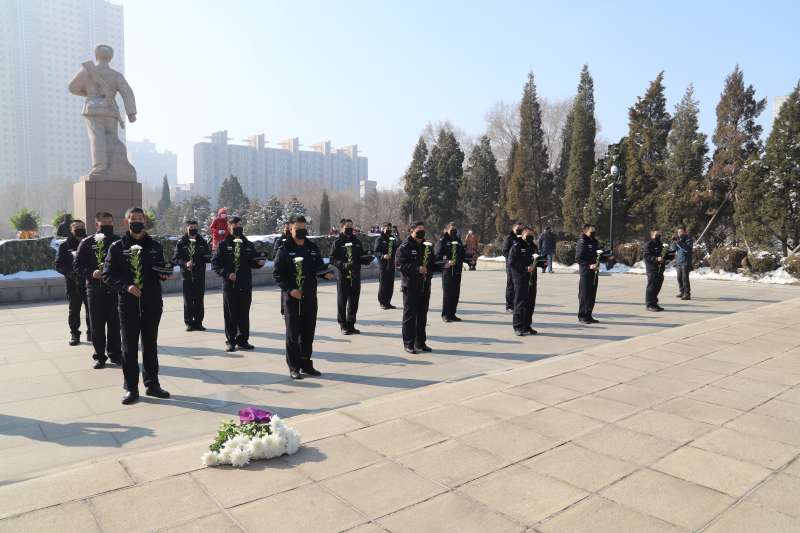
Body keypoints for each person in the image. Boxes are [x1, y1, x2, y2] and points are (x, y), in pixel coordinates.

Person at [102, 207, 172, 404]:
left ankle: (152, 384)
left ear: (145, 221)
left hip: (152, 304)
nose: (137, 221)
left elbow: (161, 268)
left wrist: (164, 274)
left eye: (140, 218)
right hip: (129, 305)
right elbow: (107, 275)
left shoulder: (155, 245)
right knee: (129, 348)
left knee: (150, 346)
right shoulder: (117, 247)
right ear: (127, 222)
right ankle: (131, 388)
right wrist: (126, 286)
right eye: (133, 218)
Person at [273, 215, 333, 379]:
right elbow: (277, 274)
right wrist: (290, 289)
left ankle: (306, 364)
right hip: (292, 299)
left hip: (310, 297)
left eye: (304, 228)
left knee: (308, 333)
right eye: (298, 228)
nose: (302, 231)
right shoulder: (284, 249)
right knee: (292, 335)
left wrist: (326, 274)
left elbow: (319, 268)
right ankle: (294, 367)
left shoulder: (312, 248)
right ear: (291, 229)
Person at [67, 44, 136, 176]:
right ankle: (114, 165)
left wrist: (89, 93)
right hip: (110, 110)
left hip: (93, 109)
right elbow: (128, 93)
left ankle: (100, 165)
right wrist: (131, 113)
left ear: (96, 56)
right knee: (112, 138)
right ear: (110, 58)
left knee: (97, 137)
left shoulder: (86, 71)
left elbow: (72, 87)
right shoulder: (116, 75)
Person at [73, 211, 122, 368]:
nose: (107, 225)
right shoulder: (87, 243)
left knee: (115, 325)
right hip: (95, 291)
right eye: (104, 223)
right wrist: (91, 272)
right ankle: (99, 356)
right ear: (96, 224)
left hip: (114, 291)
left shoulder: (120, 242)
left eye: (110, 222)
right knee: (97, 325)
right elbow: (77, 265)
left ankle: (115, 354)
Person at [212, 216, 267, 352]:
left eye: (241, 225)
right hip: (230, 286)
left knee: (244, 314)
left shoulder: (248, 244)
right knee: (231, 314)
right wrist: (227, 274)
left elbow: (252, 262)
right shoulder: (223, 245)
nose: (239, 227)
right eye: (236, 225)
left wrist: (259, 263)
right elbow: (215, 264)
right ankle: (231, 341)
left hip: (245, 285)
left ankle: (243, 340)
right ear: (229, 227)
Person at [396, 221, 437, 354]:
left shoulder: (427, 246)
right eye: (419, 229)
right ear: (412, 231)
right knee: (410, 317)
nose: (422, 232)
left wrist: (443, 265)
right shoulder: (404, 247)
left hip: (425, 286)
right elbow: (399, 265)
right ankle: (409, 344)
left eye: (423, 229)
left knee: (422, 316)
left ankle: (420, 343)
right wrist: (416, 269)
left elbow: (432, 263)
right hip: (411, 287)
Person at [54, 219, 92, 346]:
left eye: (82, 227)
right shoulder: (65, 246)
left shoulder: (90, 243)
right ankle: (75, 334)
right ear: (71, 229)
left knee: (91, 309)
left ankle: (91, 332)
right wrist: (69, 273)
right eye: (77, 227)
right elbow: (58, 264)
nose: (80, 229)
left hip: (89, 282)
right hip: (73, 283)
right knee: (74, 310)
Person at [509, 226, 550, 335]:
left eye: (532, 234)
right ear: (522, 235)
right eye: (529, 234)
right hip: (521, 279)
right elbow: (512, 262)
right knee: (520, 304)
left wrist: (543, 263)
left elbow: (535, 261)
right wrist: (524, 268)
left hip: (531, 279)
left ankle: (526, 326)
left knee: (530, 304)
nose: (531, 236)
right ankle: (518, 327)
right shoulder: (516, 247)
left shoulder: (533, 247)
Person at [173, 220, 211, 331]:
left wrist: (210, 258)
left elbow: (206, 256)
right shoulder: (181, 243)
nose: (193, 228)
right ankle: (189, 322)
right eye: (191, 227)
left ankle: (198, 322)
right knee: (188, 300)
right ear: (187, 229)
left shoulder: (202, 242)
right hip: (187, 276)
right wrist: (185, 263)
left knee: (199, 300)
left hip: (199, 275)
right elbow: (176, 259)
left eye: (195, 227)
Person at [330, 218, 365, 335]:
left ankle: (351, 324)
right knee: (342, 301)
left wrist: (365, 259)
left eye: (351, 226)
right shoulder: (337, 243)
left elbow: (361, 255)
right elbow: (332, 259)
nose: (350, 228)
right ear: (341, 228)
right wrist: (343, 265)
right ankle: (343, 325)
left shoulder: (357, 241)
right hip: (343, 276)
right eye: (347, 226)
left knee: (354, 301)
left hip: (355, 275)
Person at [435, 222, 474, 322]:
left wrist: (469, 260)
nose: (454, 231)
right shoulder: (443, 241)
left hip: (457, 271)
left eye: (456, 229)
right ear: (447, 229)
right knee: (448, 294)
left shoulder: (458, 241)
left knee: (455, 294)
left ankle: (452, 314)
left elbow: (461, 255)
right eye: (452, 229)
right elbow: (437, 256)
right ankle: (445, 315)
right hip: (448, 271)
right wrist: (447, 261)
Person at [575, 223, 613, 324]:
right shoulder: (582, 243)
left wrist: (606, 256)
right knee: (584, 295)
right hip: (586, 273)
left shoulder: (595, 242)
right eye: (592, 232)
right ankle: (582, 316)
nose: (594, 233)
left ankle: (589, 315)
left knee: (592, 295)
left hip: (594, 273)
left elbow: (597, 256)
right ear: (586, 232)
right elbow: (578, 258)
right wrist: (588, 266)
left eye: (594, 232)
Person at [374, 221, 399, 309]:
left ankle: (388, 301)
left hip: (391, 264)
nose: (389, 230)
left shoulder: (393, 239)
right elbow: (376, 252)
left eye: (390, 228)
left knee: (390, 284)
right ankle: (382, 302)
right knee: (383, 284)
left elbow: (397, 250)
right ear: (383, 229)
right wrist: (383, 256)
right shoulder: (379, 240)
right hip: (383, 265)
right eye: (387, 228)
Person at [502, 222, 525, 313]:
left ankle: (517, 304)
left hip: (520, 267)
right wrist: (514, 257)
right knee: (511, 285)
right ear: (513, 229)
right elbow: (505, 252)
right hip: (511, 266)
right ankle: (509, 305)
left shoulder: (522, 239)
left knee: (518, 286)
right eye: (518, 228)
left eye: (521, 228)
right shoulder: (509, 239)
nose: (519, 230)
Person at [643, 228, 667, 312]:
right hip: (652, 269)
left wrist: (671, 256)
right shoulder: (648, 245)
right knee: (651, 288)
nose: (658, 236)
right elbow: (646, 256)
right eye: (656, 234)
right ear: (652, 235)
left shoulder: (660, 244)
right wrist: (656, 259)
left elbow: (663, 255)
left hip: (660, 269)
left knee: (657, 287)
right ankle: (649, 304)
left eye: (659, 234)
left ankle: (654, 303)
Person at [274, 221, 292, 318]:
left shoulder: (295, 240)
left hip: (293, 269)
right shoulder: (279, 241)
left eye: (290, 228)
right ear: (283, 229)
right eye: (287, 228)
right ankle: (284, 311)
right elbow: (275, 255)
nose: (288, 230)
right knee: (284, 292)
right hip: (284, 270)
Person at [672, 227, 693, 300]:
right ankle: (682, 292)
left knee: (685, 278)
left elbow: (686, 249)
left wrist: (678, 242)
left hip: (685, 262)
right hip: (679, 261)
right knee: (679, 278)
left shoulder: (688, 240)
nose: (679, 233)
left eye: (681, 232)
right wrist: (673, 241)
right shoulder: (678, 239)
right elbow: (673, 248)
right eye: (678, 232)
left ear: (685, 232)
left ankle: (687, 294)